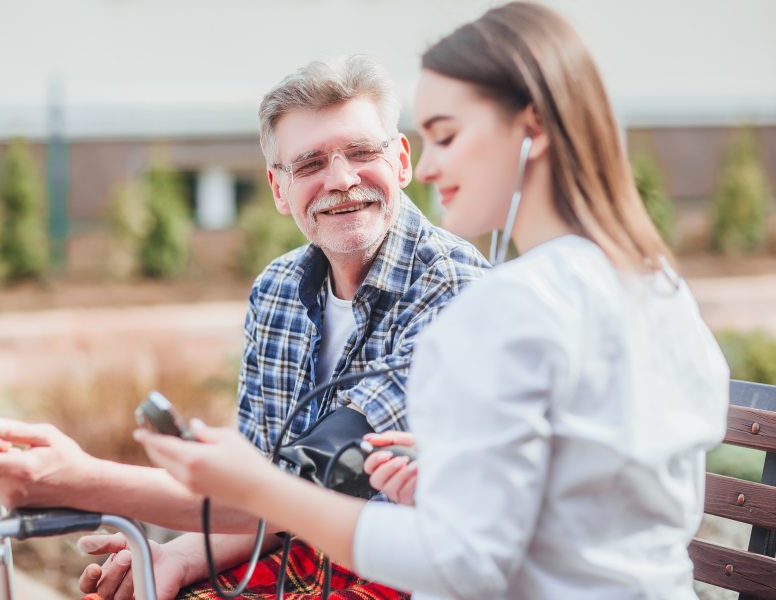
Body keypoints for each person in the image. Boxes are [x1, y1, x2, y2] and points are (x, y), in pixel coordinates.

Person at [135, 3, 730, 598]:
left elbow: (465, 562)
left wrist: (256, 488)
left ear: (533, 130)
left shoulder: (505, 305)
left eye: (444, 136)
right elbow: (612, 509)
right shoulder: (654, 286)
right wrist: (446, 479)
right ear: (279, 186)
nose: (431, 165)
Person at [0, 56, 488, 599]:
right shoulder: (279, 289)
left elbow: (317, 475)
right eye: (310, 163)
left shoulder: (454, 286)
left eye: (362, 152)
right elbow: (263, 493)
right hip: (305, 548)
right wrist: (175, 556)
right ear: (277, 187)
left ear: (402, 159)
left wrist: (79, 481)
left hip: (408, 568)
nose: (341, 179)